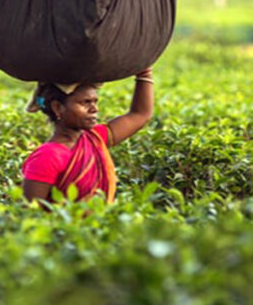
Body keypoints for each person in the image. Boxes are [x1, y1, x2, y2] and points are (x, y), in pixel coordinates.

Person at [22, 67, 154, 204]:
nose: (94, 109)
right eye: (85, 102)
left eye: (95, 102)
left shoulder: (95, 138)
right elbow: (30, 212)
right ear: (58, 107)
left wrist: (144, 72)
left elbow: (140, 115)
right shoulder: (47, 156)